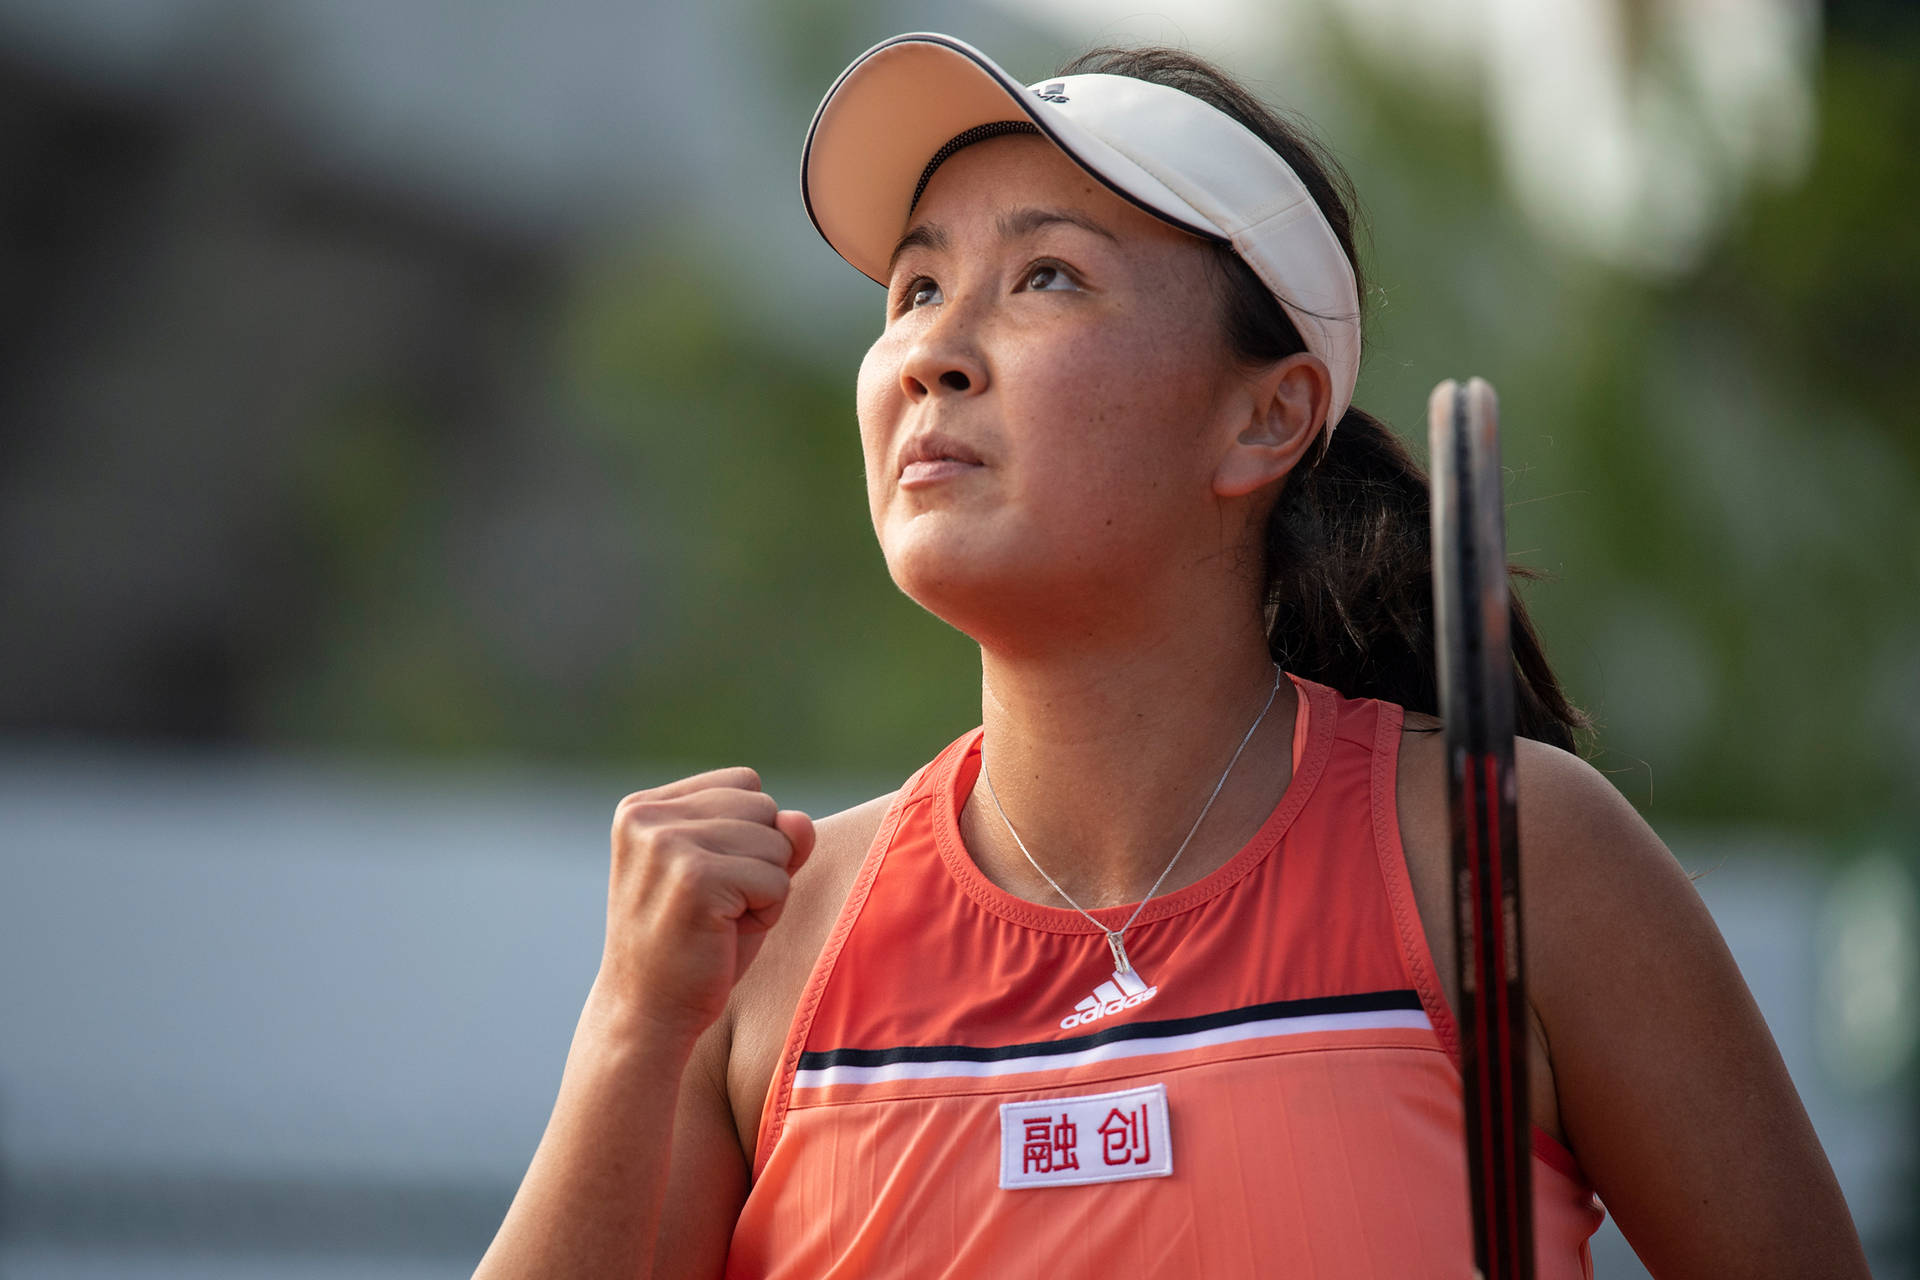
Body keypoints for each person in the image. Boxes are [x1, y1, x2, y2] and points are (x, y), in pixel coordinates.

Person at [473, 33, 1870, 1280]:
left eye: (1045, 277)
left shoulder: (1513, 859)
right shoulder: (761, 953)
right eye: (913, 287)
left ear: (1266, 422)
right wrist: (628, 1030)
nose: (931, 353)